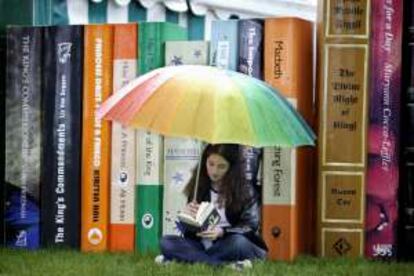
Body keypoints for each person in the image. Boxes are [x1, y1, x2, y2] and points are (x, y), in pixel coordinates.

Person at [156, 144, 267, 269]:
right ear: (205, 161)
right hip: (204, 244)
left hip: (230, 243)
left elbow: (250, 225)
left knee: (238, 242)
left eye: (221, 166)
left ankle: (185, 259)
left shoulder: (245, 190)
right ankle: (224, 265)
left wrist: (222, 232)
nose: (214, 171)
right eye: (211, 164)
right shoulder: (199, 185)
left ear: (232, 168)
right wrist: (188, 217)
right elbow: (190, 234)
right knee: (166, 242)